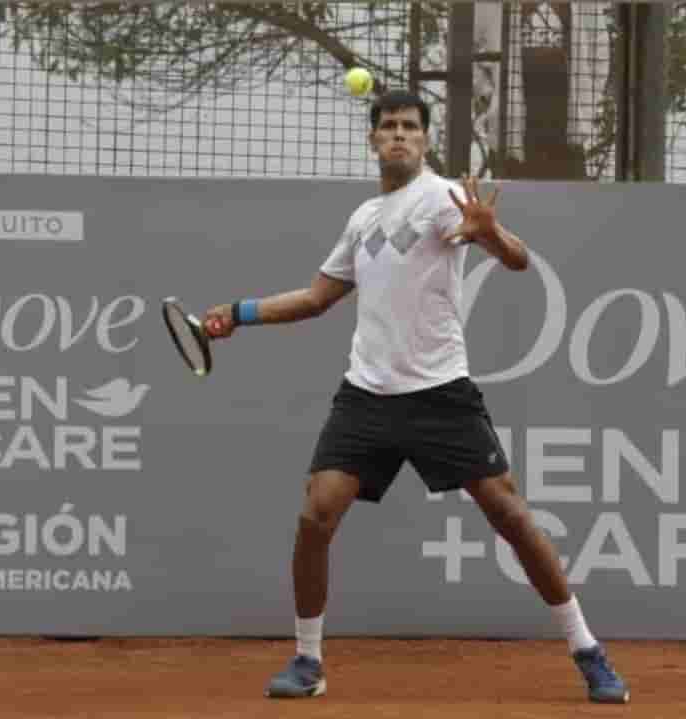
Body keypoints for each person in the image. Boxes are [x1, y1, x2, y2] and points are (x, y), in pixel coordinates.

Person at [199, 89, 629, 705]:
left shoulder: (442, 198)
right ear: (373, 139)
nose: (399, 135)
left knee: (509, 514)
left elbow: (515, 260)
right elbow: (317, 298)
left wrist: (489, 233)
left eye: (410, 126)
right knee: (316, 514)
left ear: (425, 139)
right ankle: (307, 660)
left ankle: (588, 651)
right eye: (388, 126)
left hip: (440, 392)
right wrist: (238, 313)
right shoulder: (362, 220)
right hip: (366, 395)